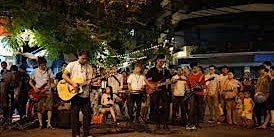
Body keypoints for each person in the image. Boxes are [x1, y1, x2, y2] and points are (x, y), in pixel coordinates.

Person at [62, 50, 93, 137]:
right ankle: (75, 134)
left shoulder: (89, 67)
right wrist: (72, 83)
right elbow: (64, 75)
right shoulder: (72, 65)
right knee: (74, 115)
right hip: (74, 94)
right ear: (79, 56)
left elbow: (89, 80)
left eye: (86, 59)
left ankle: (86, 133)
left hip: (85, 94)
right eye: (83, 58)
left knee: (87, 114)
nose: (84, 60)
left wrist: (89, 82)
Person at [29, 57, 54, 129]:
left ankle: (49, 124)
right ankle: (41, 124)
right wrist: (34, 88)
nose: (44, 66)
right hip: (38, 92)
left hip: (48, 91)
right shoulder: (34, 71)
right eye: (42, 65)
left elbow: (52, 82)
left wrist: (50, 82)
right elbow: (30, 81)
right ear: (39, 65)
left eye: (45, 65)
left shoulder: (49, 71)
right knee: (39, 109)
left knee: (49, 108)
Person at [145, 54, 170, 129]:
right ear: (157, 61)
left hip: (163, 91)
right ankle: (157, 123)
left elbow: (168, 80)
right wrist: (150, 85)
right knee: (156, 107)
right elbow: (145, 79)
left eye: (163, 61)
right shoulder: (151, 70)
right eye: (160, 61)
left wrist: (170, 81)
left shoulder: (165, 71)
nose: (162, 63)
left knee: (166, 107)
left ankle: (165, 123)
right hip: (154, 92)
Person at [186, 62, 205, 129]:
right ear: (191, 68)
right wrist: (188, 89)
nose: (195, 69)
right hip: (192, 93)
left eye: (196, 67)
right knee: (192, 108)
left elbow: (204, 85)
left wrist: (201, 87)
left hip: (200, 94)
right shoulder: (189, 75)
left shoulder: (201, 75)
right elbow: (187, 84)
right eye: (193, 68)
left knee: (198, 109)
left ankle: (196, 123)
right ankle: (190, 124)